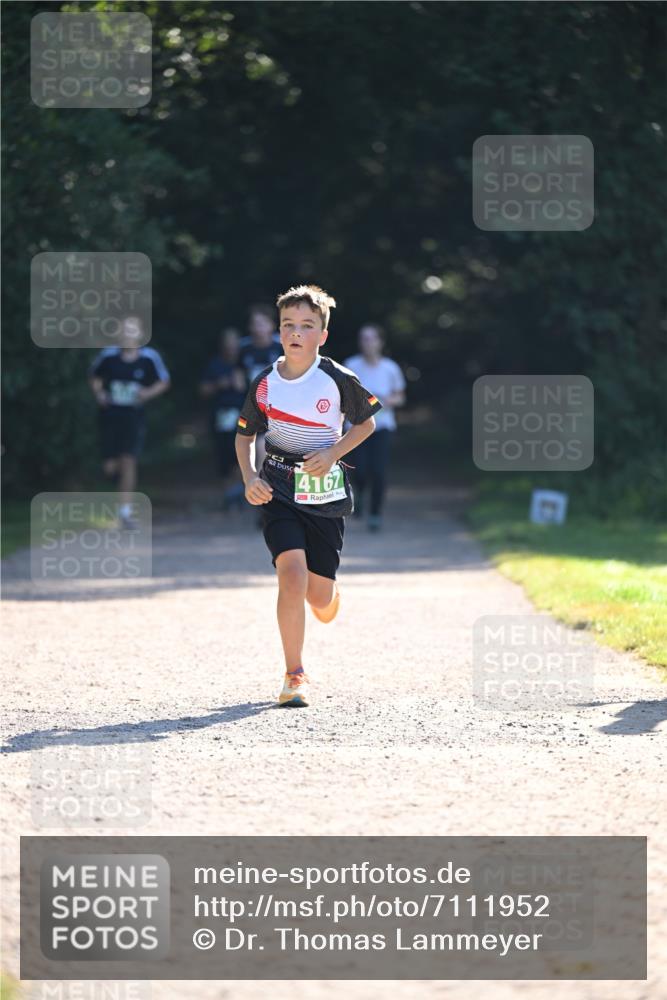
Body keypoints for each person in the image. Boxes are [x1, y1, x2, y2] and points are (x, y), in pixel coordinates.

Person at [235, 284, 382, 707]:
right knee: (291, 575)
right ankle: (294, 674)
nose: (296, 333)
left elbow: (366, 424)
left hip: (323, 494)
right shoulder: (264, 382)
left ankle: (330, 595)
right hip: (278, 486)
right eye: (288, 325)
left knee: (318, 595)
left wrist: (333, 452)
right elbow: (244, 438)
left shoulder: (338, 378)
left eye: (306, 326)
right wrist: (249, 478)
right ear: (279, 332)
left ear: (322, 335)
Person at [88, 317, 170, 529]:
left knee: (129, 460)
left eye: (132, 331)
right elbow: (95, 377)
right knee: (111, 467)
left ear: (140, 334)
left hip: (133, 416)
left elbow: (163, 381)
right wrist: (100, 394)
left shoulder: (149, 358)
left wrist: (147, 393)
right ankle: (116, 483)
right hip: (109, 416)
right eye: (124, 331)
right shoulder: (108, 356)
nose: (127, 335)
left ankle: (125, 512)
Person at [344, 324, 406, 531]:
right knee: (359, 470)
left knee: (378, 471)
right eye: (363, 339)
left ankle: (375, 513)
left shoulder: (390, 368)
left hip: (383, 427)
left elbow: (400, 396)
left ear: (380, 342)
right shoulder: (350, 365)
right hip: (356, 426)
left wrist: (388, 400)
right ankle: (359, 494)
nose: (367, 343)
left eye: (371, 339)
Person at [199, 328, 247, 507]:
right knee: (224, 453)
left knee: (241, 452)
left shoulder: (244, 364)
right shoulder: (215, 365)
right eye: (228, 344)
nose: (231, 348)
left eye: (234, 344)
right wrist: (220, 384)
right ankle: (229, 495)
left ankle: (238, 493)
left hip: (242, 415)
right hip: (221, 416)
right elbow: (203, 390)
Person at [239, 304, 283, 474]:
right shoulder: (244, 347)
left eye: (262, 323)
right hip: (251, 403)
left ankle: (262, 478)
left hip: (278, 404)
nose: (259, 328)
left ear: (272, 325)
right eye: (255, 324)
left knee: (264, 443)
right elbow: (238, 373)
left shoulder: (281, 345)